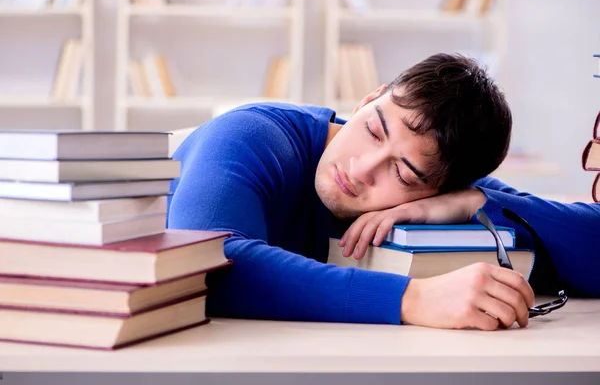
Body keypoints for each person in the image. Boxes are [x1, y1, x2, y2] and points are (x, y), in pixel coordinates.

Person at [167, 53, 600, 331]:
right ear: (368, 100)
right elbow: (205, 266)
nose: (361, 169)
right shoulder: (251, 134)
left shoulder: (448, 188)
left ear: (438, 189)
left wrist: (477, 202)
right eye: (374, 130)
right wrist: (412, 299)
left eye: (405, 174)